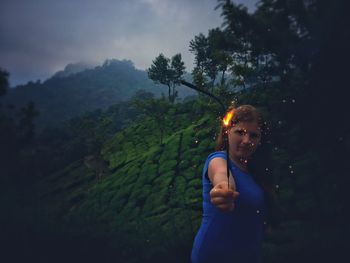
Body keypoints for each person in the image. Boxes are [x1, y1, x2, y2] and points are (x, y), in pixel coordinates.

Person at [191, 105, 275, 263]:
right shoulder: (218, 159)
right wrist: (223, 188)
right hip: (215, 256)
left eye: (254, 135)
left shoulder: (254, 170)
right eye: (240, 132)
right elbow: (221, 175)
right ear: (227, 132)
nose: (246, 140)